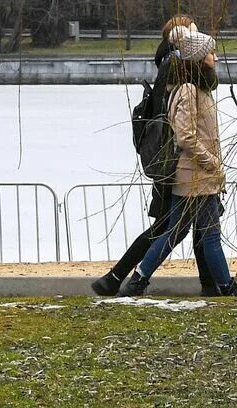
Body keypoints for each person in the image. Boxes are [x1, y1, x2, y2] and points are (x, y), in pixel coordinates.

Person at [90, 16, 222, 297]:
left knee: (188, 227)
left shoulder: (170, 65)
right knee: (171, 228)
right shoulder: (177, 69)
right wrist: (206, 160)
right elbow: (180, 127)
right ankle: (123, 278)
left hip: (175, 161)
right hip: (178, 164)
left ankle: (120, 278)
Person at [120, 25, 237, 297]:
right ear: (198, 58)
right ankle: (225, 287)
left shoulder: (198, 88)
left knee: (178, 233)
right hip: (194, 175)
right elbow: (186, 137)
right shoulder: (187, 90)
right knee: (202, 234)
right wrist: (213, 164)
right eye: (211, 53)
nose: (216, 58)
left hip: (199, 175)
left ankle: (139, 279)